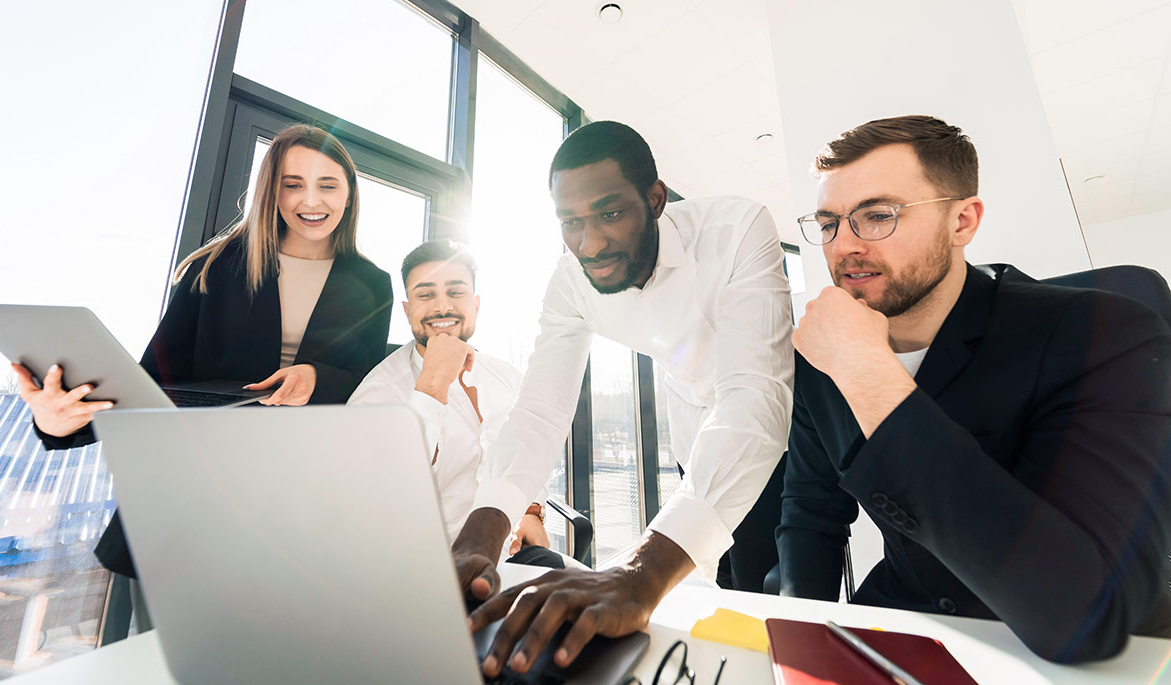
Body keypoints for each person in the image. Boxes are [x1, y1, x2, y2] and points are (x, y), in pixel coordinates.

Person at [777, 114, 1171, 663]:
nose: (843, 246)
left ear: (962, 221)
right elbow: (810, 510)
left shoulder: (1105, 333)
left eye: (877, 215)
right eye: (828, 224)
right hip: (908, 628)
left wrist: (867, 370)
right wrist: (801, 640)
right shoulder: (821, 362)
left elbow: (1088, 616)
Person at [461, 121, 795, 678]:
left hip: (780, 434)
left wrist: (639, 572)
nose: (589, 244)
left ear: (655, 199)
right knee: (719, 587)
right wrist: (483, 528)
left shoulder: (737, 227)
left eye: (610, 214)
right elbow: (540, 408)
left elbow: (753, 399)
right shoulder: (568, 283)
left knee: (774, 597)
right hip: (696, 431)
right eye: (571, 223)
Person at [13, 124, 394, 580]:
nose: (311, 201)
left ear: (349, 195)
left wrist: (318, 380)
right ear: (272, 193)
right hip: (195, 490)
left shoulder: (373, 285)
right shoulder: (215, 267)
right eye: (293, 185)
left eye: (327, 185)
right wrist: (58, 425)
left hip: (302, 499)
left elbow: (373, 391)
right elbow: (151, 382)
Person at [347, 240, 559, 566]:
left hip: (511, 558)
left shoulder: (508, 378)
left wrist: (530, 510)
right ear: (407, 310)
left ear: (475, 305)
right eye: (425, 294)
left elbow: (527, 456)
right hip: (421, 568)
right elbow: (383, 489)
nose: (442, 306)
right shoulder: (378, 392)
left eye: (456, 292)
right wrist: (432, 383)